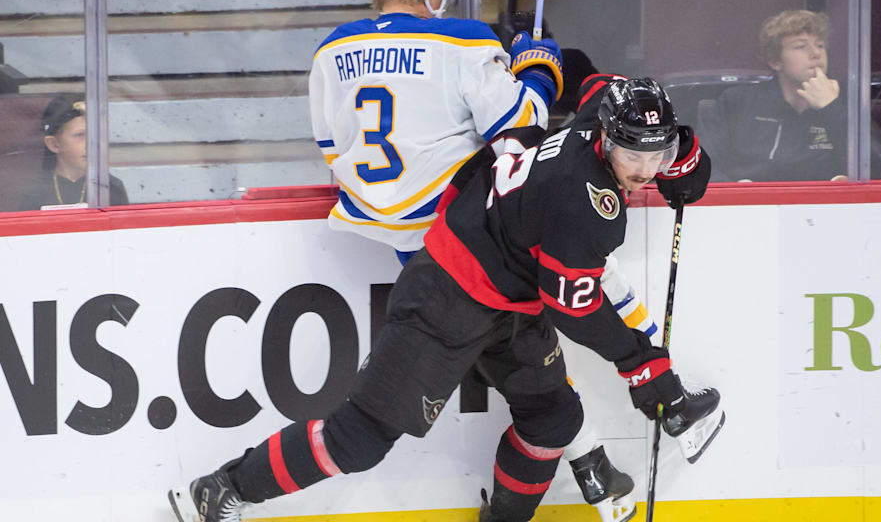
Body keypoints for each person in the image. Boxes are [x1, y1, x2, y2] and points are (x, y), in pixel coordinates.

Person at [168, 77, 722, 522]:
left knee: (552, 419)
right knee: (358, 439)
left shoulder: (605, 111)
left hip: (509, 298)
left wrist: (688, 157)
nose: (646, 171)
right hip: (448, 296)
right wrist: (643, 365)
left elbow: (600, 81)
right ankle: (219, 491)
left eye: (659, 153)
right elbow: (573, 307)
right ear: (605, 138)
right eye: (634, 156)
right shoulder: (584, 204)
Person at [304, 0, 647, 522]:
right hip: (465, 234)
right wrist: (537, 71)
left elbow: (332, 148)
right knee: (560, 305)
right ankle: (601, 452)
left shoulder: (330, 51)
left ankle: (593, 466)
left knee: (525, 351)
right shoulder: (461, 39)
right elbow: (520, 130)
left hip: (400, 241)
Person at [703, 10, 848, 182]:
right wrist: (737, 196)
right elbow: (702, 166)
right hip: (749, 205)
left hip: (824, 206)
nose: (816, 53)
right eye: (801, 46)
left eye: (820, 45)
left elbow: (875, 167)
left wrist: (831, 108)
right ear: (775, 61)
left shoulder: (842, 103)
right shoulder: (738, 102)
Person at [18, 93, 129, 210]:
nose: (93, 144)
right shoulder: (36, 192)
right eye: (80, 135)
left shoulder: (111, 188)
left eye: (97, 134)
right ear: (54, 144)